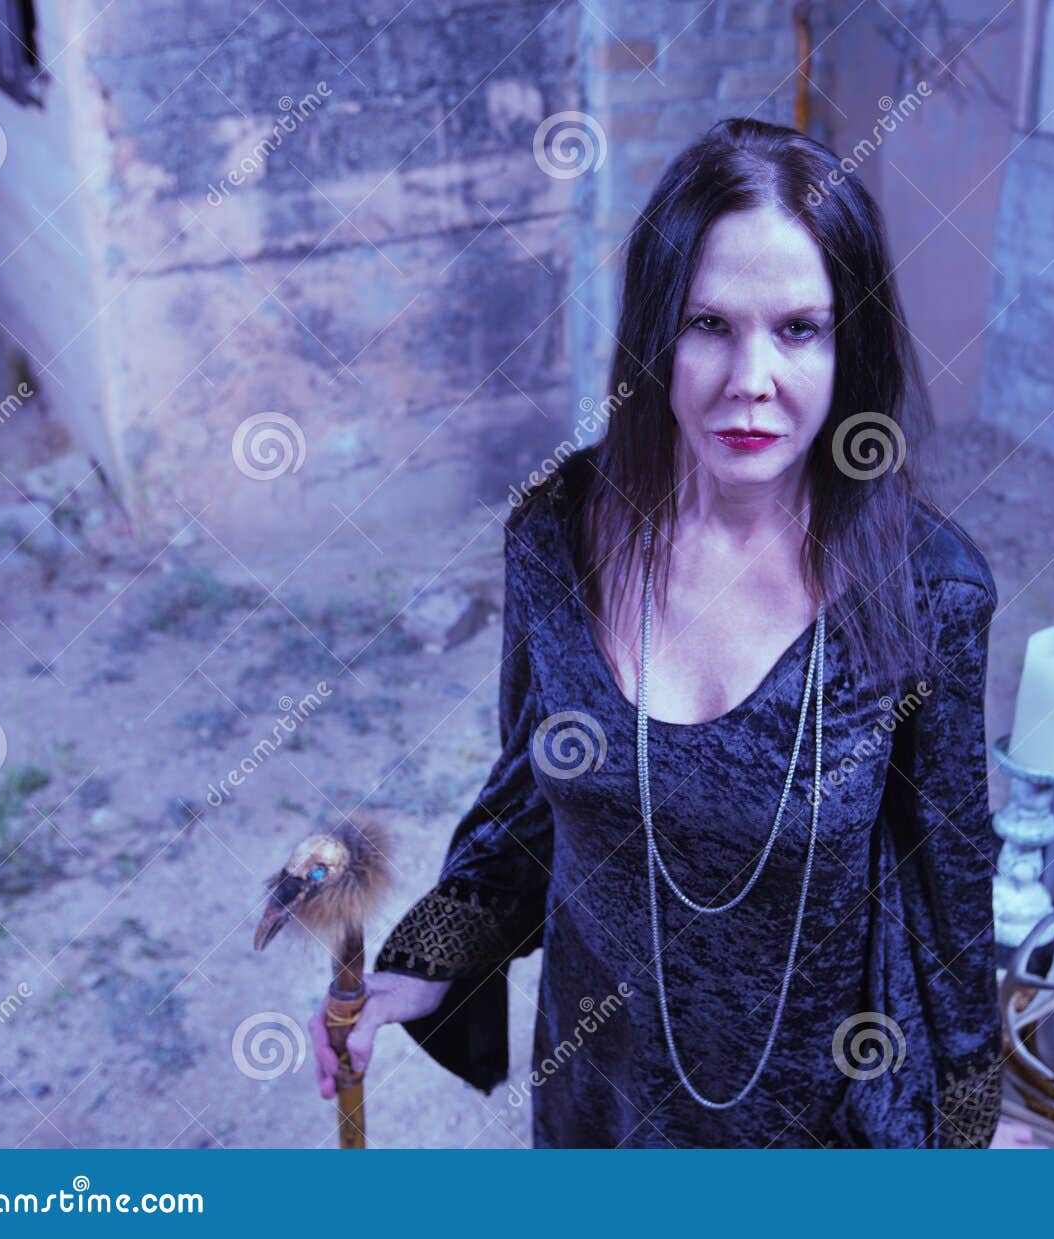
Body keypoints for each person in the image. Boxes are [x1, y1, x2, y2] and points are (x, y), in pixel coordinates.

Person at [310, 116, 1010, 1148]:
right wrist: (422, 967)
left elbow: (951, 905)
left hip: (817, 1134)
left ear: (849, 345)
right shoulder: (557, 536)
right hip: (601, 1109)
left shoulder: (927, 594)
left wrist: (967, 1132)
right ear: (654, 337)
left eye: (800, 330)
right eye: (708, 324)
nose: (751, 379)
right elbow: (535, 797)